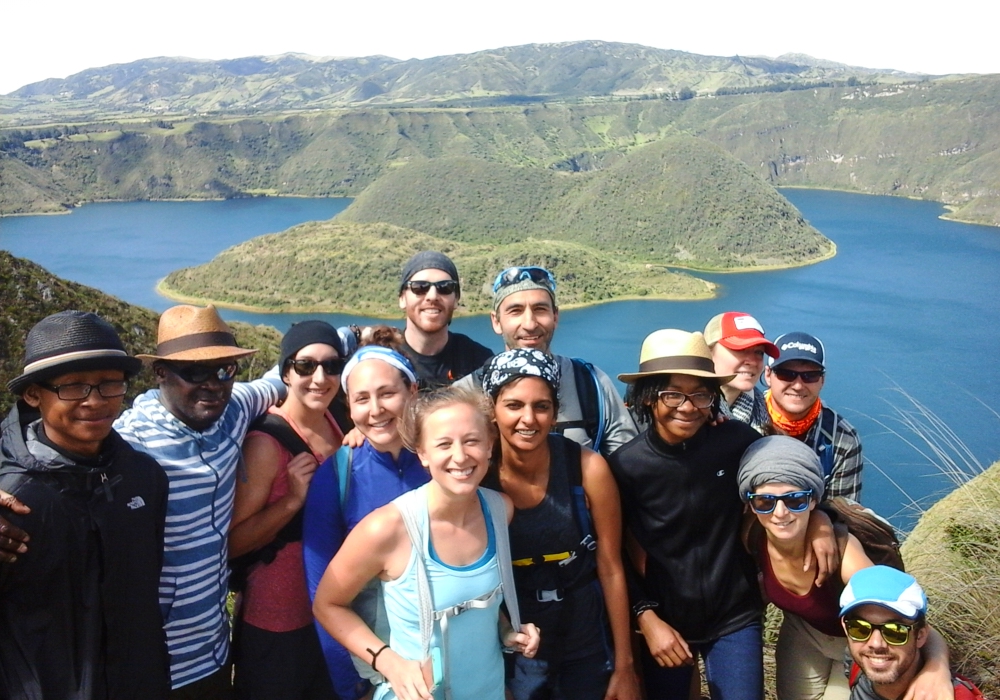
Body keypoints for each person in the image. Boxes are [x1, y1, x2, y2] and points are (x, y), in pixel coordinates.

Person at [312, 385, 541, 700]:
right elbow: (327, 604)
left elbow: (475, 606)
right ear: (422, 453)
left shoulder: (500, 510)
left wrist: (506, 632)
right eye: (444, 444)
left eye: (472, 441)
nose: (460, 456)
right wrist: (387, 661)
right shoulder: (388, 528)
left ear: (490, 444)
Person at [113, 304, 286, 698]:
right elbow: (55, 468)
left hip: (213, 651)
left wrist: (353, 337)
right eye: (194, 372)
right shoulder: (128, 445)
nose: (213, 384)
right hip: (155, 662)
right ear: (160, 373)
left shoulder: (232, 411)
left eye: (225, 369)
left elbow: (280, 378)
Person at [0, 310, 170, 699]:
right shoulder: (16, 500)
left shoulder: (144, 477)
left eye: (109, 384)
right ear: (32, 395)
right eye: (73, 387)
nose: (95, 401)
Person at [608, 329, 765, 700]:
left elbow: (784, 484)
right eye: (672, 394)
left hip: (735, 617)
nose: (688, 406)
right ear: (648, 398)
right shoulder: (626, 467)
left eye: (700, 393)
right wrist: (646, 618)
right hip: (665, 623)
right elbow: (613, 554)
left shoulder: (736, 441)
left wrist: (825, 522)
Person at [481, 349, 641, 700]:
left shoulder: (586, 468)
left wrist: (625, 666)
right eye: (513, 405)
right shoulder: (478, 473)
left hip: (584, 641)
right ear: (492, 409)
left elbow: (611, 566)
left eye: (541, 406)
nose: (528, 418)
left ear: (555, 412)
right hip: (514, 648)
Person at [229, 321, 347, 700]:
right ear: (285, 373)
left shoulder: (337, 422)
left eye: (331, 366)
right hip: (278, 616)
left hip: (333, 611)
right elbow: (233, 542)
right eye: (305, 366)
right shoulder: (267, 442)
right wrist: (292, 501)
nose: (319, 378)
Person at [303, 345, 427, 700]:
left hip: (450, 656)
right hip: (379, 672)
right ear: (350, 408)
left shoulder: (444, 458)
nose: (376, 410)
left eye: (388, 393)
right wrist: (349, 686)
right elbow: (321, 590)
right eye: (362, 399)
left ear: (412, 391)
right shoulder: (338, 476)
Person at [457, 265, 637, 457]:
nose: (529, 324)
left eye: (540, 309)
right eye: (515, 311)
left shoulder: (590, 384)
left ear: (555, 316)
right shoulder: (466, 392)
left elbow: (627, 465)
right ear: (496, 321)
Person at [840, 567, 983, 700]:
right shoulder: (858, 665)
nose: (876, 644)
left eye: (895, 631)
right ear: (846, 629)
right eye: (860, 628)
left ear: (920, 636)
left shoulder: (953, 696)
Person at [764, 332, 863, 501]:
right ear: (768, 375)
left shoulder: (842, 439)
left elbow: (843, 516)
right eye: (786, 374)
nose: (797, 385)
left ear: (822, 380)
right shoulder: (743, 422)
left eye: (810, 376)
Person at [397, 250, 494, 388]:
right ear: (402, 298)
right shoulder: (383, 360)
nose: (432, 296)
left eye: (445, 287)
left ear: (456, 300)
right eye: (419, 287)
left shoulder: (478, 360)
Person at [703, 311, 779, 435]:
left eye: (759, 352)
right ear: (708, 353)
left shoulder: (760, 409)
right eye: (739, 349)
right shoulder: (692, 412)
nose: (752, 362)